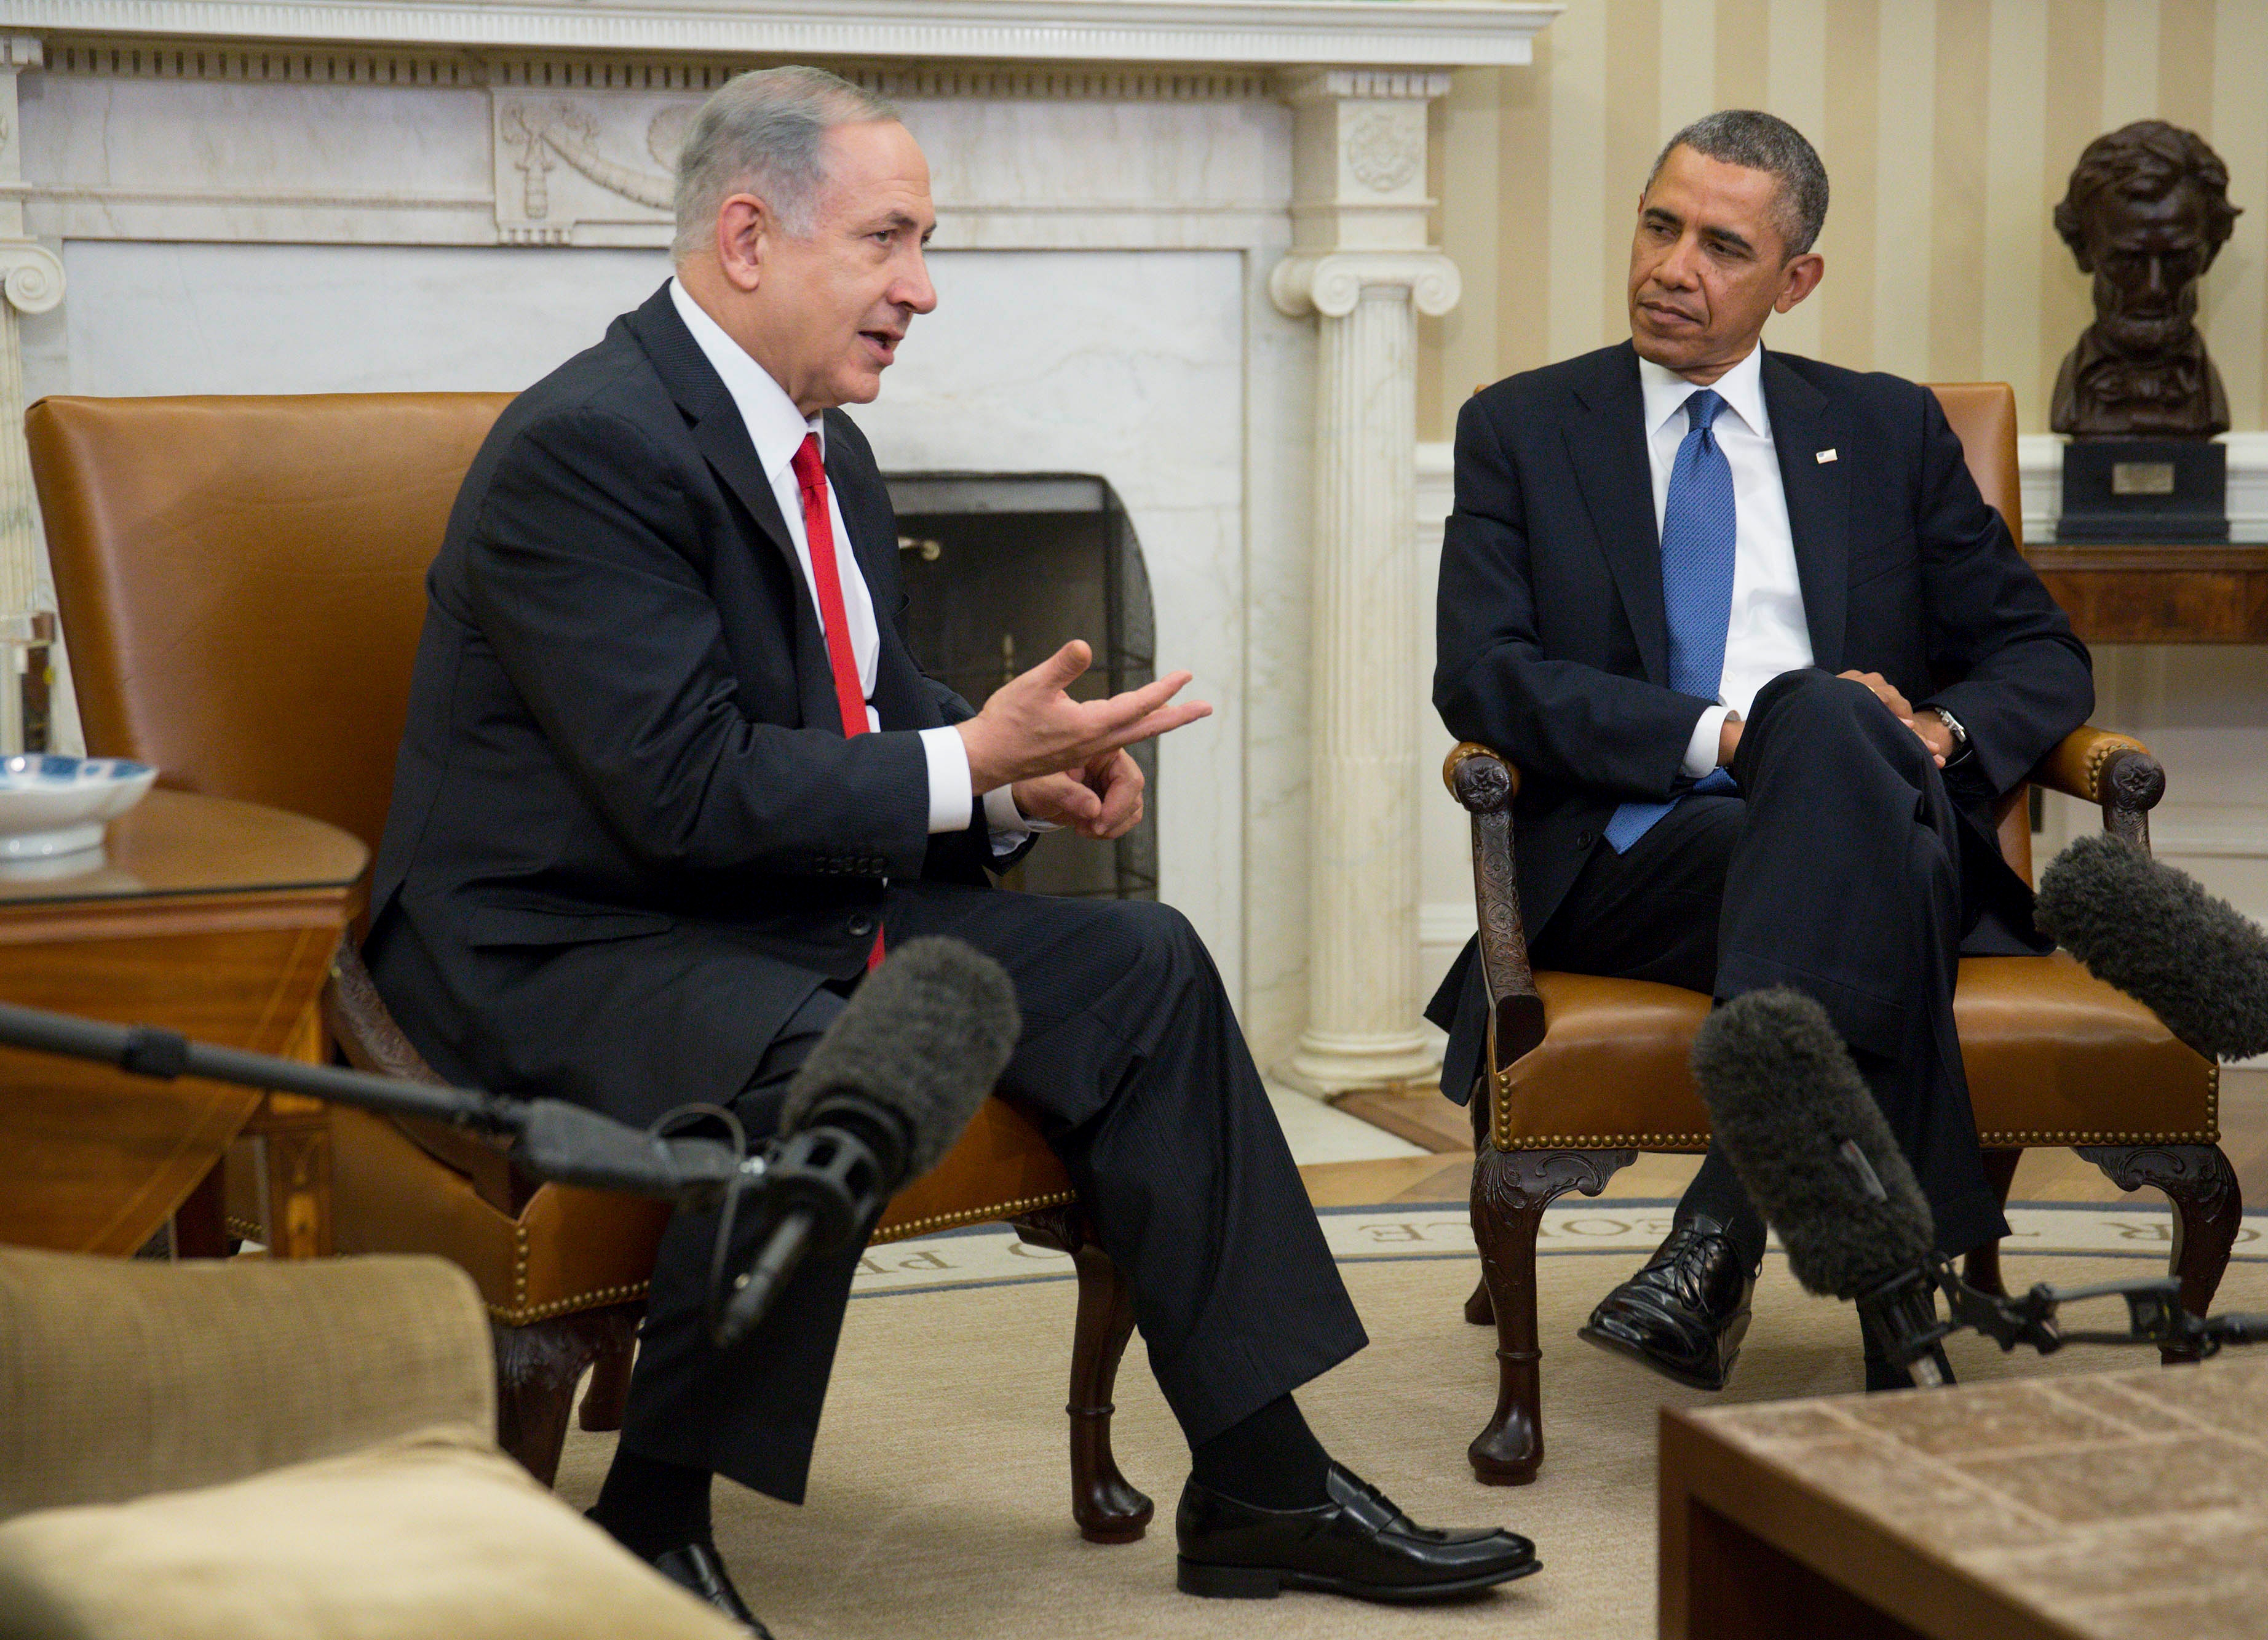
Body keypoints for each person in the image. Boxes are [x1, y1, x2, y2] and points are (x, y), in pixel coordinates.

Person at [366, 66, 1536, 1634]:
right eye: (889, 240)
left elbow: (858, 708)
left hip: (749, 913)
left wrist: (1010, 779)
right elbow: (683, 789)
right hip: (561, 942)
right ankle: (651, 1518)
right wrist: (961, 758)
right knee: (843, 1058)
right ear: (746, 237)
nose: (924, 287)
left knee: (1146, 964)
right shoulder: (587, 449)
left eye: (929, 241)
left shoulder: (821, 441)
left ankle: (1260, 1475)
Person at [1426, 109, 2092, 1397]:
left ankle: (1714, 1242)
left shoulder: (1885, 432)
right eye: (1657, 224)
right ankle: (1897, 1290)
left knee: (1838, 733)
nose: (1671, 266)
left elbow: (2038, 657)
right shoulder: (1522, 427)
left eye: (1721, 246)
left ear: (1795, 282)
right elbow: (1485, 675)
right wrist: (1726, 735)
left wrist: (1936, 731)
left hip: (1850, 811)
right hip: (1637, 853)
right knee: (1825, 750)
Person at [2048, 118, 2242, 439]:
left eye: (2179, 260)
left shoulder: (2206, 397)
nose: (2155, 288)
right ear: (2083, 250)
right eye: (2127, 261)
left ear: (2211, 252)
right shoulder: (2074, 398)